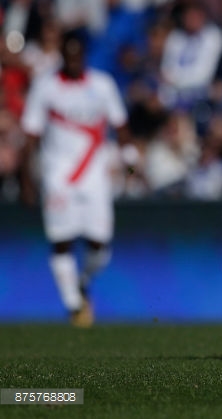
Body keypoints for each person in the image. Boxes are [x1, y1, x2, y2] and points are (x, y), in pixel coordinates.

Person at [20, 31, 138, 327]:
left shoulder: (102, 85)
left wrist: (131, 160)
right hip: (58, 175)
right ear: (61, 54)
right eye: (68, 54)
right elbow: (31, 134)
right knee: (62, 241)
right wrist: (27, 178)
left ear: (85, 55)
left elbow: (120, 126)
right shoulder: (45, 87)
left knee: (100, 246)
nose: (73, 60)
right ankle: (74, 306)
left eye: (78, 55)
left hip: (95, 175)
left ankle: (82, 283)